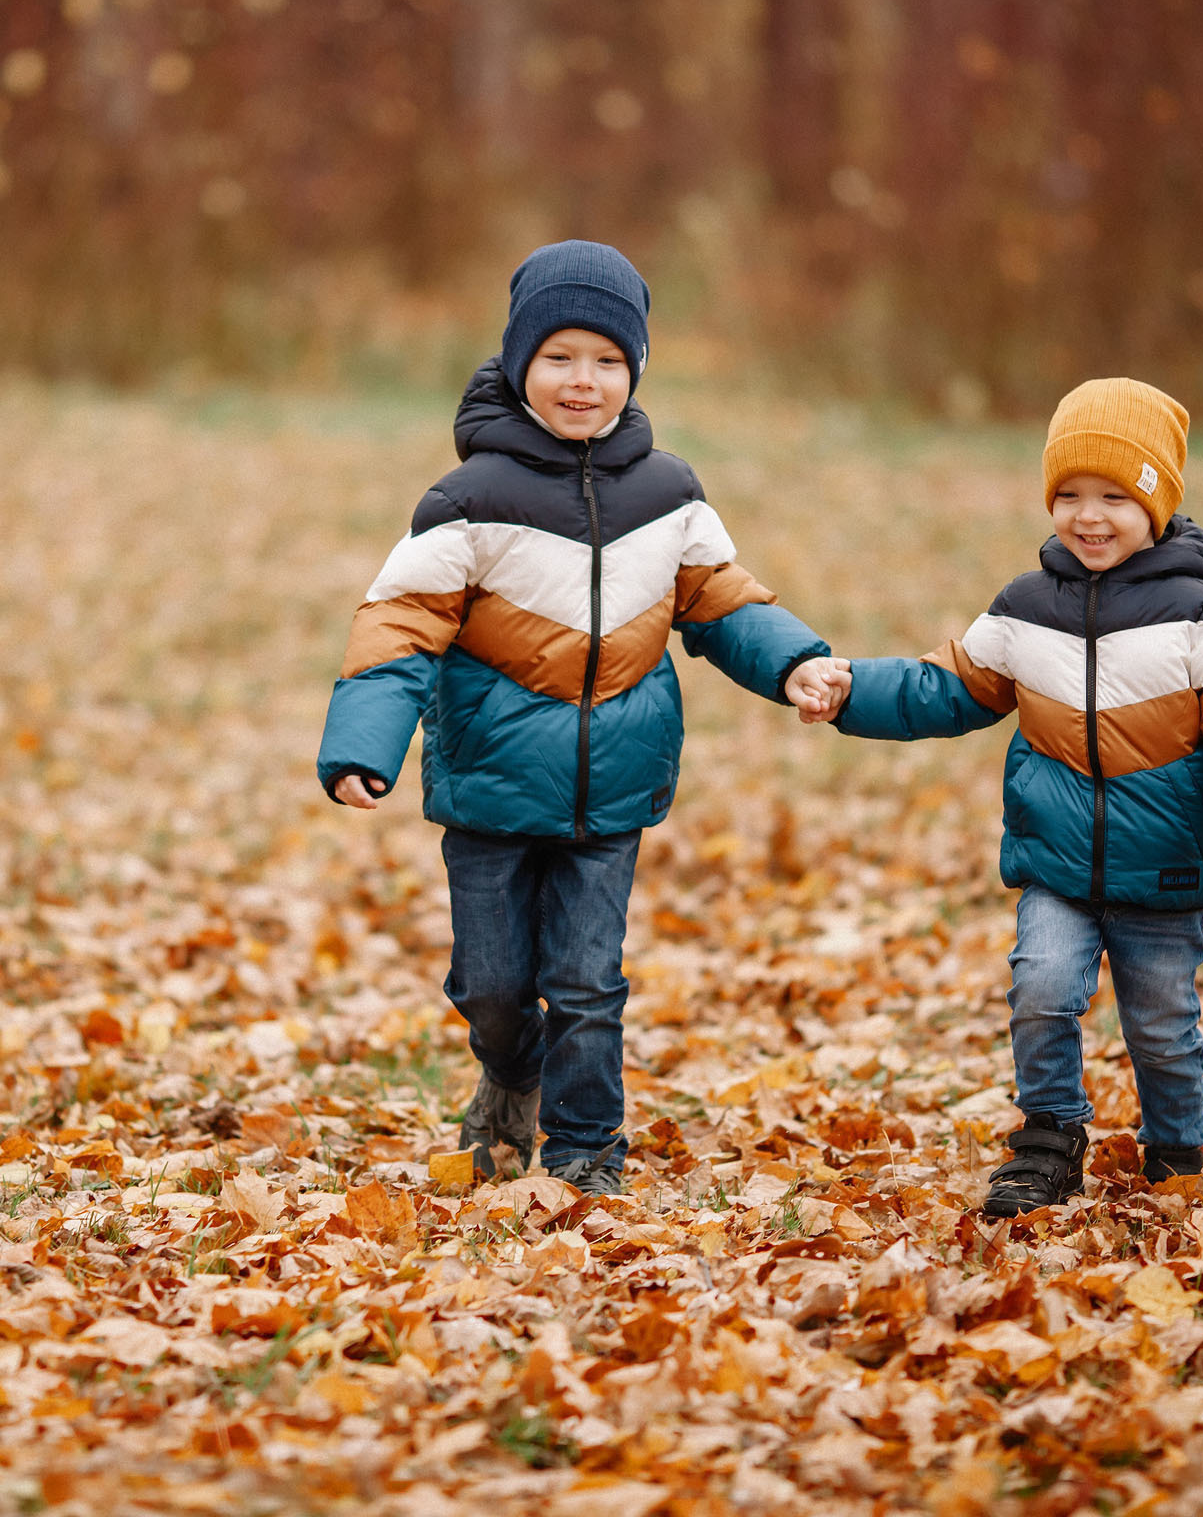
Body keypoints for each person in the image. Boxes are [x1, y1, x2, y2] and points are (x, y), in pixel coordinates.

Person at [317, 240, 838, 1196]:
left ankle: (588, 1149)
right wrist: (363, 744)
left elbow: (723, 601)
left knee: (590, 984)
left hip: (613, 788)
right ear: (519, 365)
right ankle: (509, 1070)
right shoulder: (468, 501)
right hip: (491, 787)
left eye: (606, 360)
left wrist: (797, 662)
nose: (582, 381)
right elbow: (398, 623)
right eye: (558, 357)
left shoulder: (668, 494)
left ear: (634, 369)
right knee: (494, 989)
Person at [788, 378, 1203, 1217]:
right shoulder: (1025, 610)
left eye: (1115, 495)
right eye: (1069, 495)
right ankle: (1048, 1138)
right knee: (1040, 988)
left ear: (1158, 503)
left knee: (1160, 1028)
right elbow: (945, 687)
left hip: (1166, 876)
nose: (1089, 516)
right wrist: (851, 688)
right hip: (1058, 864)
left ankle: (1175, 1156)